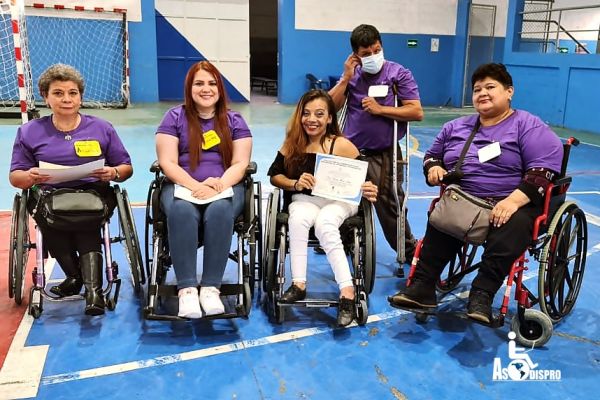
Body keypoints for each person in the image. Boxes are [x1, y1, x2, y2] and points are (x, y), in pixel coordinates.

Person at [388, 63, 564, 324]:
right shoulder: (455, 127)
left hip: (513, 201)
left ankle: (482, 294)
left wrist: (513, 201)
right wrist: (434, 167)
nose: (482, 93)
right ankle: (423, 287)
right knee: (445, 213)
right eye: (477, 89)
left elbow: (544, 170)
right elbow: (432, 155)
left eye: (490, 87)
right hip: (466, 197)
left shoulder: (528, 125)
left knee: (513, 223)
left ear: (509, 92)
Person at [9, 64, 133, 316]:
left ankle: (92, 290)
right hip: (49, 196)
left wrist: (113, 173)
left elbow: (125, 167)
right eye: (58, 93)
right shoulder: (29, 132)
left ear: (80, 96)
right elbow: (16, 177)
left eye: (72, 93)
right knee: (52, 217)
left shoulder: (102, 128)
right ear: (45, 96)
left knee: (86, 217)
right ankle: (83, 282)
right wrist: (30, 176)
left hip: (94, 194)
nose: (66, 99)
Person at [267, 89, 378, 327]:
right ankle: (298, 284)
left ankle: (347, 292)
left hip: (339, 202)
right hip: (305, 199)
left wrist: (368, 188)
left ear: (329, 118)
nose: (312, 119)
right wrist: (294, 183)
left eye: (319, 114)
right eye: (306, 113)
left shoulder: (342, 145)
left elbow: (362, 180)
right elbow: (275, 176)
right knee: (296, 218)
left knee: (326, 223)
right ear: (300, 116)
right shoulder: (292, 144)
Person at [156, 61, 252, 319]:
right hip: (183, 185)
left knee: (221, 210)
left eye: (211, 83)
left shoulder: (235, 120)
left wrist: (219, 184)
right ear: (190, 87)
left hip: (225, 186)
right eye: (199, 83)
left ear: (220, 88)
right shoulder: (174, 117)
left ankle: (210, 288)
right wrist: (195, 186)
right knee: (181, 211)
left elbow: (241, 163)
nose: (206, 88)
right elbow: (167, 162)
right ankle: (187, 289)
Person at [328, 24, 423, 266]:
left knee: (390, 204)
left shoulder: (398, 73)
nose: (372, 56)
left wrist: (381, 109)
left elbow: (415, 111)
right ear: (356, 55)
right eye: (366, 53)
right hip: (351, 153)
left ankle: (407, 249)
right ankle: (343, 237)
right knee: (344, 200)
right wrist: (346, 76)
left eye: (376, 50)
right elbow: (329, 107)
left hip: (384, 154)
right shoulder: (353, 76)